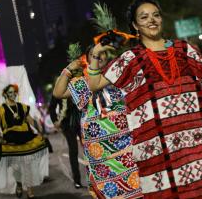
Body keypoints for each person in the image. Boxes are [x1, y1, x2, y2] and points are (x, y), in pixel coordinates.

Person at [87, 0, 202, 198]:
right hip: (159, 146)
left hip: (196, 136)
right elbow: (94, 84)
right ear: (135, 25)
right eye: (144, 17)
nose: (152, 20)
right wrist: (97, 51)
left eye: (156, 15)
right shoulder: (130, 58)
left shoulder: (183, 49)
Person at [53, 45, 143, 199]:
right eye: (96, 54)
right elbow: (58, 92)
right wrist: (69, 69)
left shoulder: (117, 76)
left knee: (135, 184)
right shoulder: (82, 83)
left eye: (103, 53)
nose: (100, 57)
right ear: (88, 59)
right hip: (99, 150)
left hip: (125, 144)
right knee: (107, 188)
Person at [0, 84, 48, 199]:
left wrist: (40, 131)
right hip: (11, 139)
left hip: (26, 137)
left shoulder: (22, 107)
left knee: (28, 165)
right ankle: (19, 184)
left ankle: (30, 191)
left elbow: (31, 121)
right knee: (16, 167)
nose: (13, 94)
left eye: (14, 92)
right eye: (10, 92)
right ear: (5, 94)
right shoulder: (1, 109)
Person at [48, 96, 82, 189]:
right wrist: (55, 120)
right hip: (67, 123)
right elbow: (52, 107)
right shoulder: (59, 86)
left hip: (82, 119)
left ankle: (94, 177)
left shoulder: (78, 82)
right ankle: (77, 180)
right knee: (73, 150)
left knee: (89, 148)